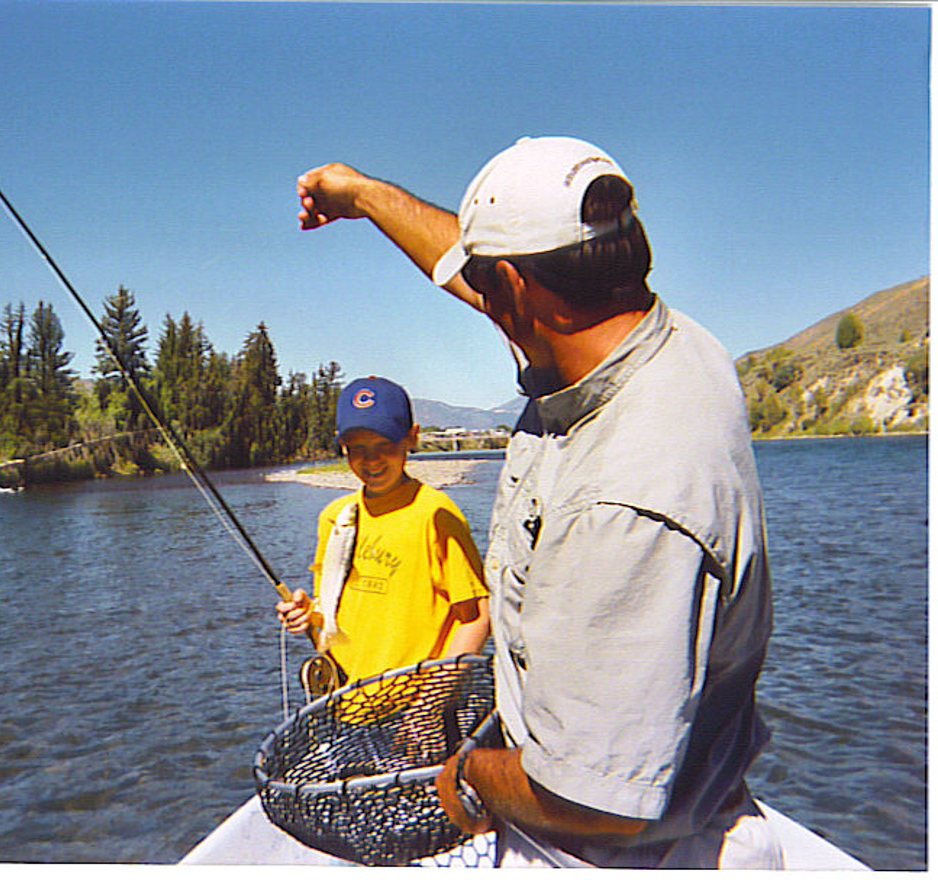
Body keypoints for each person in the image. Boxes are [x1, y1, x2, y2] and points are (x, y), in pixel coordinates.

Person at [295, 137, 781, 868]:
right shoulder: (657, 336)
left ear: (520, 293)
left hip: (610, 855)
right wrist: (361, 195)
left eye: (490, 290)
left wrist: (466, 774)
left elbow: (598, 799)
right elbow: (472, 270)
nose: (480, 300)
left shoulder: (626, 498)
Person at [276, 375, 490, 685]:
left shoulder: (435, 514)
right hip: (347, 703)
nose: (371, 459)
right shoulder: (335, 518)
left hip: (417, 708)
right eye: (357, 448)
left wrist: (434, 702)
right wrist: (307, 615)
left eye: (385, 445)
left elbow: (478, 617)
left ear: (411, 438)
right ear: (341, 444)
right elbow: (330, 617)